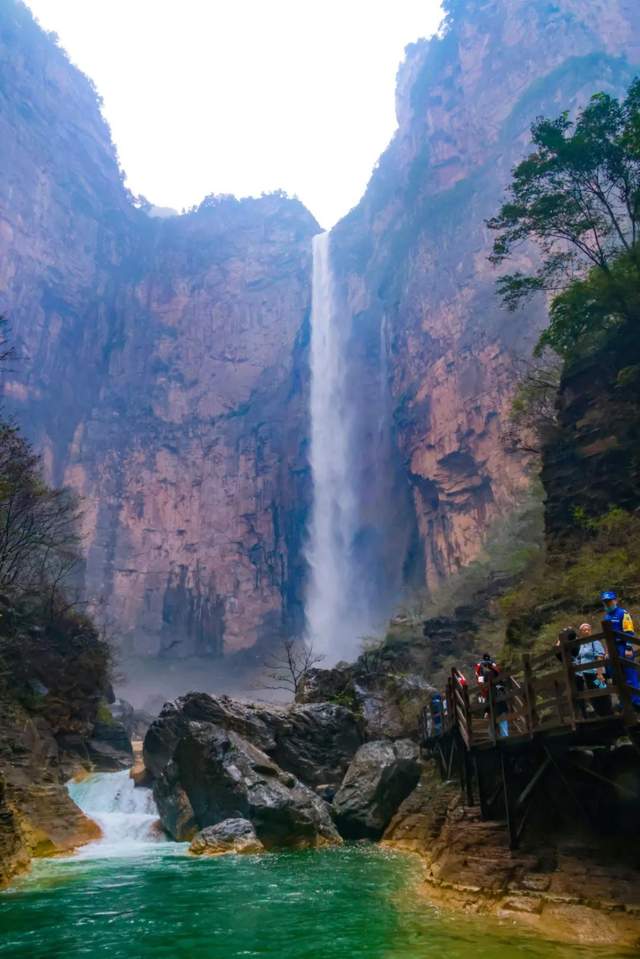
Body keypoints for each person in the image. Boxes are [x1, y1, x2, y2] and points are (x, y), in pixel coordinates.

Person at [601, 590, 640, 711]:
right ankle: (624, 702)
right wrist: (607, 651)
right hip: (613, 648)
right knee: (617, 676)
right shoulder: (606, 616)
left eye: (610, 601)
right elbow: (606, 636)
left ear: (615, 600)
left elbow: (629, 631)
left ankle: (637, 702)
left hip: (623, 646)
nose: (608, 603)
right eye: (605, 602)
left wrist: (628, 647)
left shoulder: (623, 613)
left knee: (630, 675)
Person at [574, 623, 611, 717]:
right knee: (593, 694)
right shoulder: (582, 644)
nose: (586, 631)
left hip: (596, 673)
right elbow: (579, 658)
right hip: (587, 674)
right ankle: (600, 714)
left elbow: (599, 657)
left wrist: (600, 674)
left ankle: (609, 712)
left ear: (590, 630)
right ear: (581, 632)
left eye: (588, 629)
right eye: (584, 630)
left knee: (603, 691)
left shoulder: (595, 642)